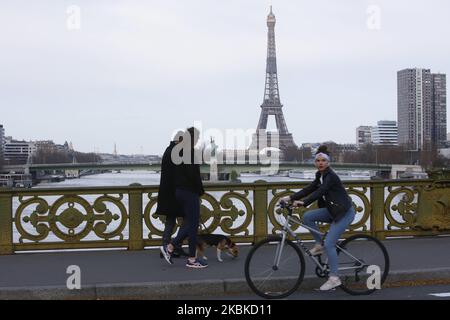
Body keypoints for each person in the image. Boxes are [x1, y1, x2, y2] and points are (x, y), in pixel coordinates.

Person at [281, 145, 355, 291]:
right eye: (317, 160)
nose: (320, 163)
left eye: (323, 160)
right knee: (307, 217)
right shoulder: (320, 175)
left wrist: (304, 202)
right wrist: (290, 197)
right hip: (333, 210)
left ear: (328, 163)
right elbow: (310, 188)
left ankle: (334, 278)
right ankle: (318, 245)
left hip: (344, 213)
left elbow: (321, 191)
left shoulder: (331, 176)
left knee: (330, 245)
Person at [160, 127, 207, 268]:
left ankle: (179, 252)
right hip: (189, 192)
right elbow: (194, 176)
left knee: (191, 225)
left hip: (179, 191)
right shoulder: (189, 152)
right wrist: (200, 191)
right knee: (192, 225)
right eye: (197, 138)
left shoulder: (178, 151)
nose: (197, 141)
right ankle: (177, 251)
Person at [155, 131, 188, 259]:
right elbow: (181, 174)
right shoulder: (176, 153)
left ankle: (166, 247)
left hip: (167, 193)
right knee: (188, 219)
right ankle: (175, 245)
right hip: (175, 193)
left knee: (170, 221)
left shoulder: (168, 150)